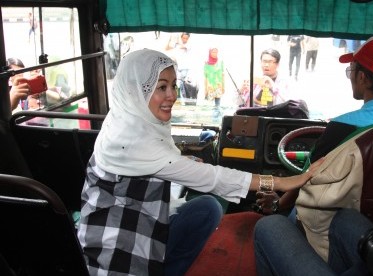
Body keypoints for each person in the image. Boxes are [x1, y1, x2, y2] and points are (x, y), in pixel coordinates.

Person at [77, 49, 324, 276]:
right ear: (135, 90)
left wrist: (182, 161)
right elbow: (214, 178)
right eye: (160, 87)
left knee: (208, 208)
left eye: (173, 85)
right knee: (212, 199)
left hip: (142, 218)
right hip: (116, 248)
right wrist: (284, 182)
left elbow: (154, 161)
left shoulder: (126, 119)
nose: (172, 95)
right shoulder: (132, 140)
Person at [255, 37, 373, 218]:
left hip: (332, 224)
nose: (350, 76)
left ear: (362, 77)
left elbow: (307, 179)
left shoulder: (341, 128)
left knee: (266, 225)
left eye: (352, 70)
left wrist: (277, 204)